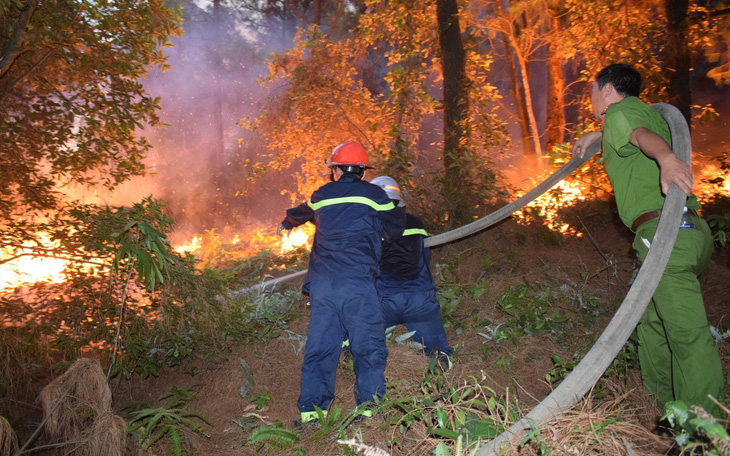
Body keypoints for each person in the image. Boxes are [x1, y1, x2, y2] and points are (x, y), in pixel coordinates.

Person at [572, 63, 723, 416]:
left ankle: (705, 433)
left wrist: (668, 159)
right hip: (690, 233)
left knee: (687, 336)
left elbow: (639, 136)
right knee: (653, 322)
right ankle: (663, 409)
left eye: (593, 92)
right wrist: (599, 136)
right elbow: (637, 131)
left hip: (664, 234)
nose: (591, 100)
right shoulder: (646, 113)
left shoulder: (622, 113)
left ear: (607, 90)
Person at [277, 141, 406, 425]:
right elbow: (396, 225)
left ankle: (312, 414)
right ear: (361, 170)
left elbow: (300, 212)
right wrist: (379, 234)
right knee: (367, 345)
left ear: (335, 169)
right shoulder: (373, 194)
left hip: (323, 286)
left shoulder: (321, 195)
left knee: (321, 346)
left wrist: (287, 223)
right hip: (357, 283)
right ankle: (369, 412)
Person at [369, 176, 453, 368]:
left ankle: (351, 351)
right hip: (420, 301)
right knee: (438, 352)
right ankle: (443, 374)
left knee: (361, 338)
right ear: (398, 199)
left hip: (384, 302)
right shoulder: (416, 223)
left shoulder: (371, 227)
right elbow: (425, 257)